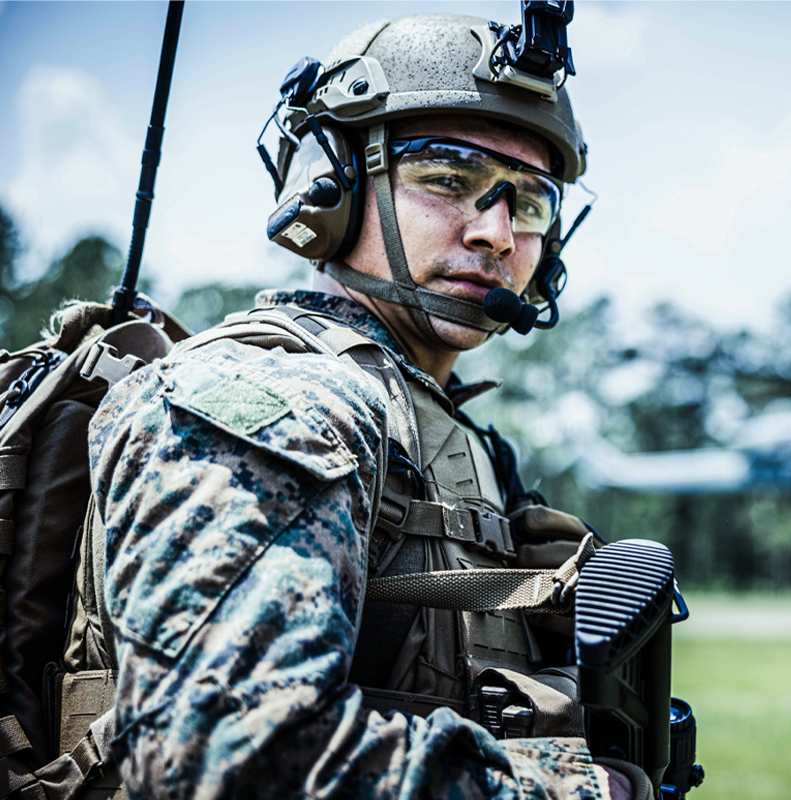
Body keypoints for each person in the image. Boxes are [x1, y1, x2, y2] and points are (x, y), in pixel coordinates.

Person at [85, 12, 643, 800]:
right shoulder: (279, 402)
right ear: (333, 184)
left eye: (530, 203)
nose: (495, 233)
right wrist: (581, 792)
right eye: (448, 177)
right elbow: (226, 763)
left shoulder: (445, 427)